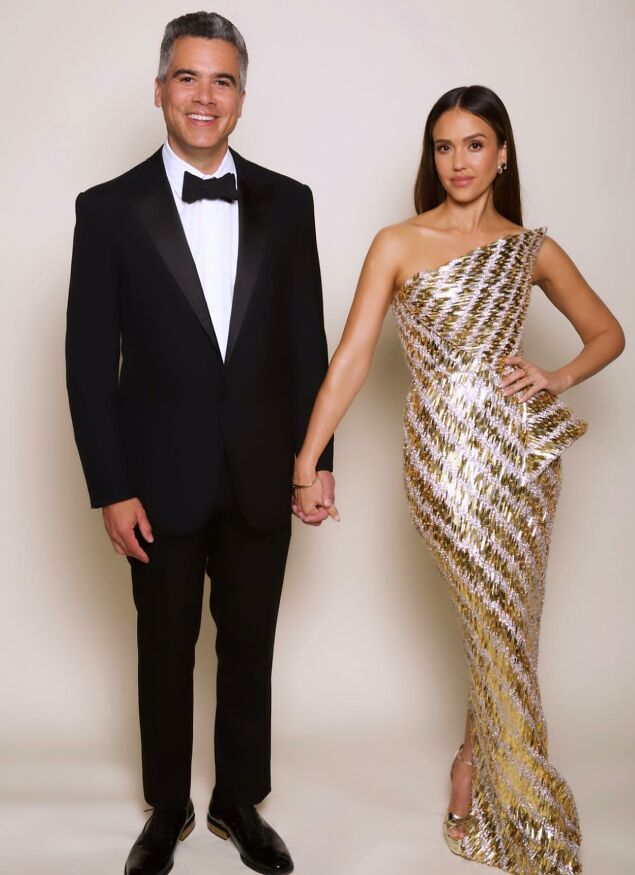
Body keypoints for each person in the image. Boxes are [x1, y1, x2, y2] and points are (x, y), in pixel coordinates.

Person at [292, 85, 625, 874]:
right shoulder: (398, 242)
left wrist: (555, 376)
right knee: (496, 627)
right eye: (444, 146)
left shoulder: (530, 245)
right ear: (431, 156)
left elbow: (607, 332)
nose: (459, 162)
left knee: (511, 626)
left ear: (502, 152)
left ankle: (471, 770)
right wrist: (308, 457)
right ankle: (533, 820)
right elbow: (351, 359)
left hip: (523, 461)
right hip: (442, 460)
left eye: (474, 144)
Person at [66, 12, 335, 875]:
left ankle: (237, 802)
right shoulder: (106, 211)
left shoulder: (290, 204)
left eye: (221, 80)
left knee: (249, 645)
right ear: (159, 90)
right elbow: (84, 361)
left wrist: (318, 461)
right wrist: (110, 485)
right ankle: (168, 808)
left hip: (264, 472)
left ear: (242, 98)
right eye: (187, 77)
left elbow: (307, 344)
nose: (203, 96)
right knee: (164, 646)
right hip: (157, 478)